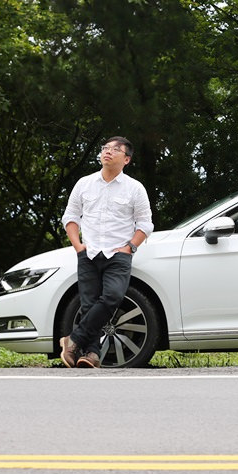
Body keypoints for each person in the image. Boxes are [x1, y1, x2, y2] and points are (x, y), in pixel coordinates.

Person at [59, 136, 154, 368]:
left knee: (112, 297)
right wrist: (78, 246)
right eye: (105, 148)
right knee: (89, 305)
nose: (107, 152)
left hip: (118, 255)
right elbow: (70, 217)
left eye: (115, 149)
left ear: (127, 159)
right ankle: (91, 354)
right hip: (88, 254)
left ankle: (74, 339)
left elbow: (145, 224)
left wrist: (129, 248)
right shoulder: (84, 184)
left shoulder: (135, 188)